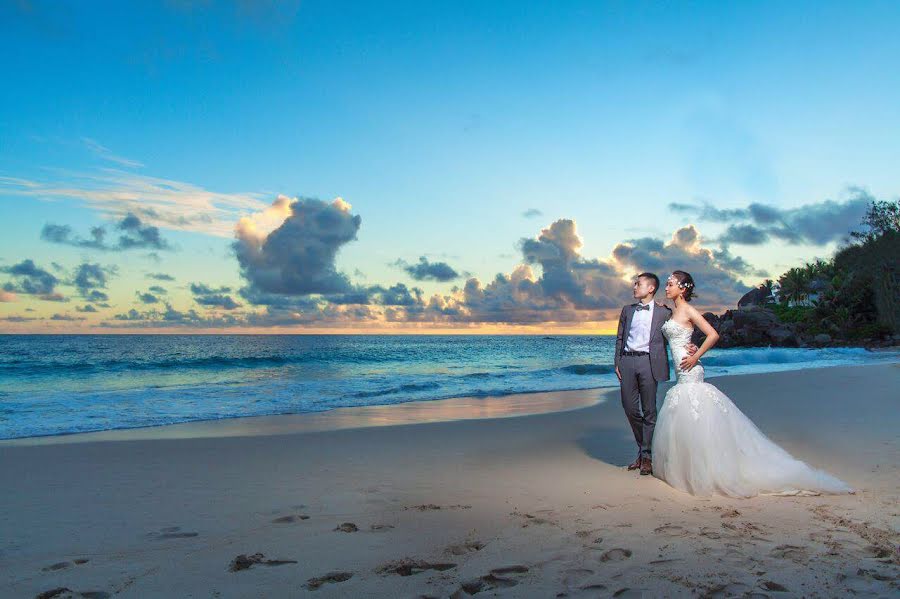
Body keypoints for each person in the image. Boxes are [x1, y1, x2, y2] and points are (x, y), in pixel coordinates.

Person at [650, 270, 855, 498]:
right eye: (666, 284)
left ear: (682, 287)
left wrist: (696, 355)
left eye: (670, 284)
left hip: (691, 372)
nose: (666, 287)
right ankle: (689, 469)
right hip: (680, 375)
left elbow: (713, 334)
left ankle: (706, 472)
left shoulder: (687, 309)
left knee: (696, 418)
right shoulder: (673, 311)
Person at [614, 272, 697, 476]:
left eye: (638, 284)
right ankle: (644, 451)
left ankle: (646, 456)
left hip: (650, 363)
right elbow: (619, 338)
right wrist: (617, 361)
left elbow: (681, 327)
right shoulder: (627, 310)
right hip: (627, 361)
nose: (634, 287)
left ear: (651, 288)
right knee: (629, 407)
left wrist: (693, 346)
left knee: (649, 410)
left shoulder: (663, 312)